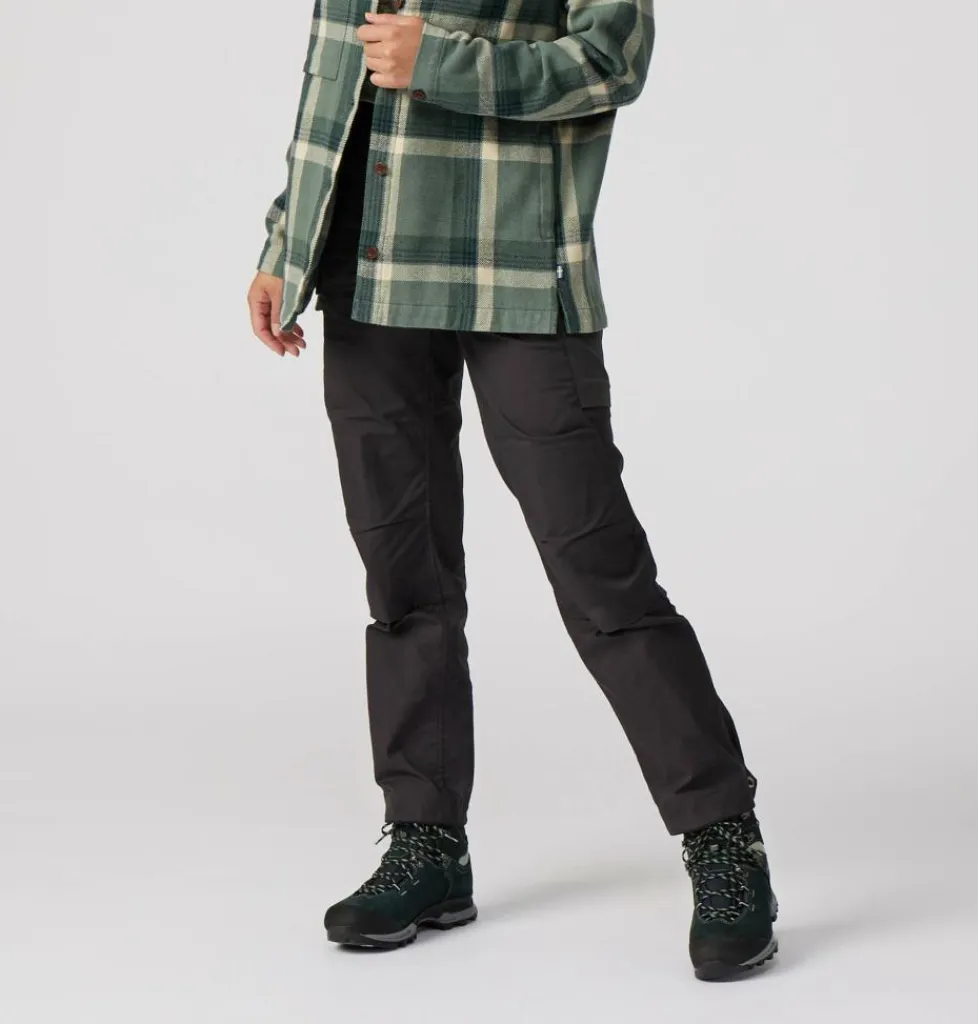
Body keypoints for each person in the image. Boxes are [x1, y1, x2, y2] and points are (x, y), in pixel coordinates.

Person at [246, 1, 777, 981]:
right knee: (402, 579)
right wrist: (287, 242)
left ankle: (722, 839)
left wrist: (440, 62)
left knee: (601, 576)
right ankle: (426, 843)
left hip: (518, 271)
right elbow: (332, 73)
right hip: (364, 272)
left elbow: (613, 58)